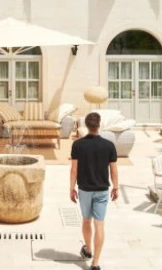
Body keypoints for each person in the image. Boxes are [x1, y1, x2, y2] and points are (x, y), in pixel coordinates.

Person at [70, 112, 118, 270]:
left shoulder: (78, 145)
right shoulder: (109, 145)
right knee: (99, 224)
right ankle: (95, 263)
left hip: (84, 190)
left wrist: (71, 188)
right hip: (102, 190)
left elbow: (74, 169)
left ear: (86, 125)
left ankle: (88, 250)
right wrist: (116, 187)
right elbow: (114, 170)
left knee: (86, 220)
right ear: (99, 125)